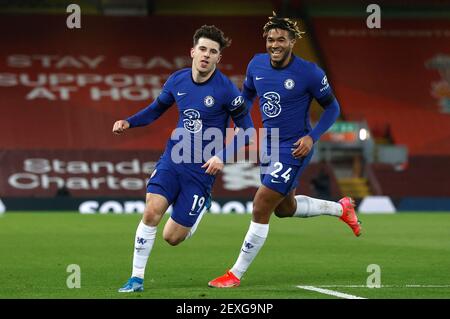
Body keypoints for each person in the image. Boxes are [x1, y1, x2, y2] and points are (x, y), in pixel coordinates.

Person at [208, 13, 361, 288]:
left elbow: (333, 108)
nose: (274, 44)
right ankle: (341, 208)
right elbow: (248, 95)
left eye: (280, 39)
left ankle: (235, 274)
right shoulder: (256, 64)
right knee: (284, 209)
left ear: (292, 42)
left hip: (294, 148)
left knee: (261, 204)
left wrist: (312, 137)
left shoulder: (310, 72)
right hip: (269, 144)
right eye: (270, 39)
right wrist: (238, 113)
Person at [113, 25, 254, 292]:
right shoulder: (177, 80)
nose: (206, 55)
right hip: (173, 159)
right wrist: (128, 122)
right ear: (192, 51)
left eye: (213, 52)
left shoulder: (226, 91)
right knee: (152, 211)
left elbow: (247, 131)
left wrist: (222, 156)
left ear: (218, 58)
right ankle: (136, 278)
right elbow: (155, 110)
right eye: (202, 49)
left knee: (172, 237)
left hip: (201, 171)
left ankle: (201, 205)